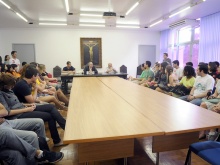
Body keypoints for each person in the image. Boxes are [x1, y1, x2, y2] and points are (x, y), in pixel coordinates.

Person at [8, 67, 66, 146]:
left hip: (26, 106)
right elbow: (32, 100)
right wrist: (35, 89)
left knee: (50, 111)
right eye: (37, 76)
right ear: (33, 76)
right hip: (24, 109)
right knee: (51, 109)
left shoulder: (25, 83)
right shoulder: (23, 85)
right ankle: (64, 130)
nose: (38, 77)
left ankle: (58, 139)